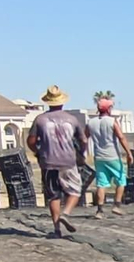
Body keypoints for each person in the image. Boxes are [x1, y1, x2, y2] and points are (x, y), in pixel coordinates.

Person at [27, 85, 89, 236]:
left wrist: (38, 152)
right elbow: (83, 140)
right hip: (68, 161)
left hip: (48, 162)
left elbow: (31, 141)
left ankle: (56, 229)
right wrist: (81, 153)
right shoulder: (72, 119)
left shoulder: (40, 120)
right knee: (75, 190)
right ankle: (66, 213)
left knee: (53, 195)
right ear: (62, 102)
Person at [87, 94, 132, 216]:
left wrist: (81, 153)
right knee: (121, 179)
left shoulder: (91, 122)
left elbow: (84, 138)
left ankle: (99, 210)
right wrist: (129, 153)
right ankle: (116, 205)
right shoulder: (112, 121)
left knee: (101, 183)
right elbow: (121, 137)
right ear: (108, 109)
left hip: (98, 157)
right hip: (112, 155)